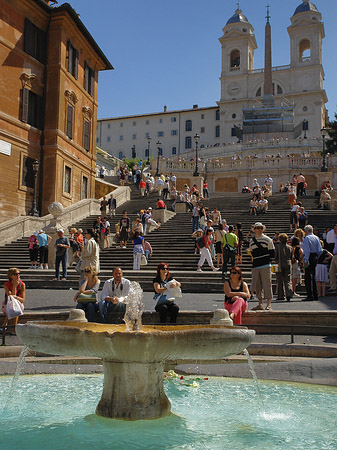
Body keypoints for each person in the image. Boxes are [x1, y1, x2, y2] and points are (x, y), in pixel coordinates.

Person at [248, 222, 275, 311]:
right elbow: (252, 253)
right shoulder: (252, 241)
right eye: (257, 228)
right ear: (254, 229)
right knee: (257, 285)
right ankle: (260, 303)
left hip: (265, 264)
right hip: (256, 265)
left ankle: (268, 304)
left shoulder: (268, 239)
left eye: (261, 228)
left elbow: (272, 253)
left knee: (267, 284)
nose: (259, 229)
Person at [302, 225, 322, 301]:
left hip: (310, 257)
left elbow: (307, 250)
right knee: (313, 276)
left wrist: (306, 260)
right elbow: (320, 250)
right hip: (315, 256)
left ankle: (309, 295)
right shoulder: (316, 237)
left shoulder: (307, 238)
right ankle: (315, 294)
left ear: (306, 231)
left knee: (308, 277)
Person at [2, 268, 25, 334]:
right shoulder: (6, 285)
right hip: (7, 304)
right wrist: (14, 286)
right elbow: (11, 298)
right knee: (13, 307)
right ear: (11, 276)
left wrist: (16, 297)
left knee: (16, 307)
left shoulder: (22, 285)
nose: (18, 275)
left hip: (19, 305)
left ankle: (5, 323)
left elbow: (23, 300)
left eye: (19, 274)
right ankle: (14, 328)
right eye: (15, 274)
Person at [274, 233, 293, 301]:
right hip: (288, 263)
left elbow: (275, 256)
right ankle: (289, 293)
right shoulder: (290, 247)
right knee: (287, 280)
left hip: (279, 264)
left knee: (279, 280)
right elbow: (291, 256)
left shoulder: (277, 246)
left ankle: (280, 295)